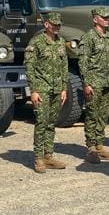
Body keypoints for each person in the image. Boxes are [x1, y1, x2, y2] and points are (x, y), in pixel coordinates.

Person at [24, 12, 69, 173]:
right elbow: (29, 67)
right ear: (47, 25)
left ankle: (48, 156)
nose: (57, 27)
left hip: (57, 89)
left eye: (59, 25)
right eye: (54, 24)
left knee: (51, 123)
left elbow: (65, 66)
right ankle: (38, 158)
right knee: (42, 123)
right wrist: (33, 90)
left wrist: (64, 88)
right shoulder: (36, 42)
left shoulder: (61, 42)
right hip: (42, 88)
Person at [78, 7, 109, 163]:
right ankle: (91, 148)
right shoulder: (88, 37)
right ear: (95, 19)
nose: (107, 19)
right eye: (104, 17)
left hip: (108, 81)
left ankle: (100, 145)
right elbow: (83, 62)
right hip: (94, 82)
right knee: (92, 115)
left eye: (108, 17)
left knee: (104, 114)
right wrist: (86, 83)